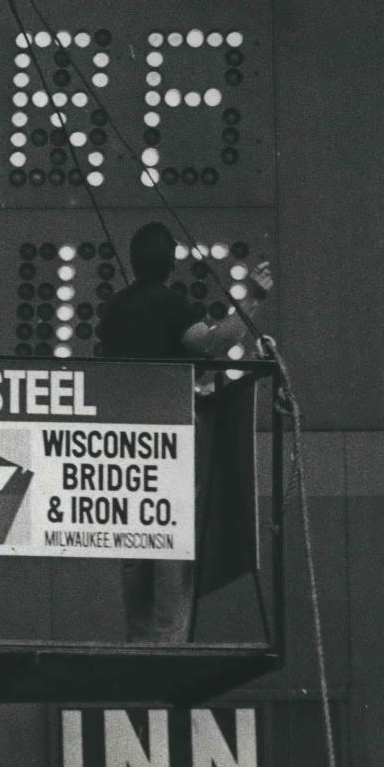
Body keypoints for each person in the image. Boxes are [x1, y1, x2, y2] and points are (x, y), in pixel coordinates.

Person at [98, 221, 273, 644]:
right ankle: (168, 640)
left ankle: (138, 638)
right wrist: (254, 296)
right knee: (171, 536)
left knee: (132, 534)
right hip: (170, 435)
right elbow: (213, 342)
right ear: (173, 262)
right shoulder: (175, 306)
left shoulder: (112, 310)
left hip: (123, 437)